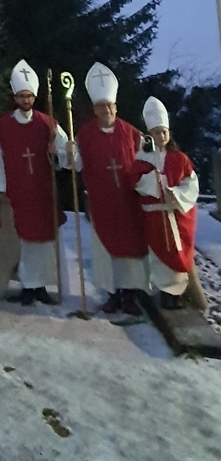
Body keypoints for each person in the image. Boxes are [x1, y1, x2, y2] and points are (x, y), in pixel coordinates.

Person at [73, 62, 148, 316]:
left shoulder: (133, 134)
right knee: (105, 252)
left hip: (128, 202)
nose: (106, 110)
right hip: (102, 202)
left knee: (130, 250)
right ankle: (112, 295)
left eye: (109, 105)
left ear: (116, 107)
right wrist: (69, 153)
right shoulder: (85, 135)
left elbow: (144, 163)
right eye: (101, 106)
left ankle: (130, 296)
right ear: (94, 109)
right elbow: (76, 164)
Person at [0, 60, 68, 306]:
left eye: (29, 96)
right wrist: (0, 188)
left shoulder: (48, 123)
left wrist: (57, 152)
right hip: (18, 191)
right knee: (23, 241)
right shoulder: (4, 126)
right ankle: (27, 285)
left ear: (34, 97)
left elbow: (68, 154)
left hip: (43, 190)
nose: (26, 100)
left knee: (44, 242)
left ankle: (41, 286)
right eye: (21, 96)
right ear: (15, 97)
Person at [128, 96, 199, 310]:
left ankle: (176, 294)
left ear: (169, 133)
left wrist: (174, 193)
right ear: (150, 134)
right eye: (157, 132)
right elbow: (136, 181)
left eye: (164, 132)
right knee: (159, 255)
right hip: (154, 216)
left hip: (175, 214)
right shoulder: (143, 158)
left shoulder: (180, 158)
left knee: (178, 254)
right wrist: (155, 181)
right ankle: (164, 293)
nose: (161, 136)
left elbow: (191, 183)